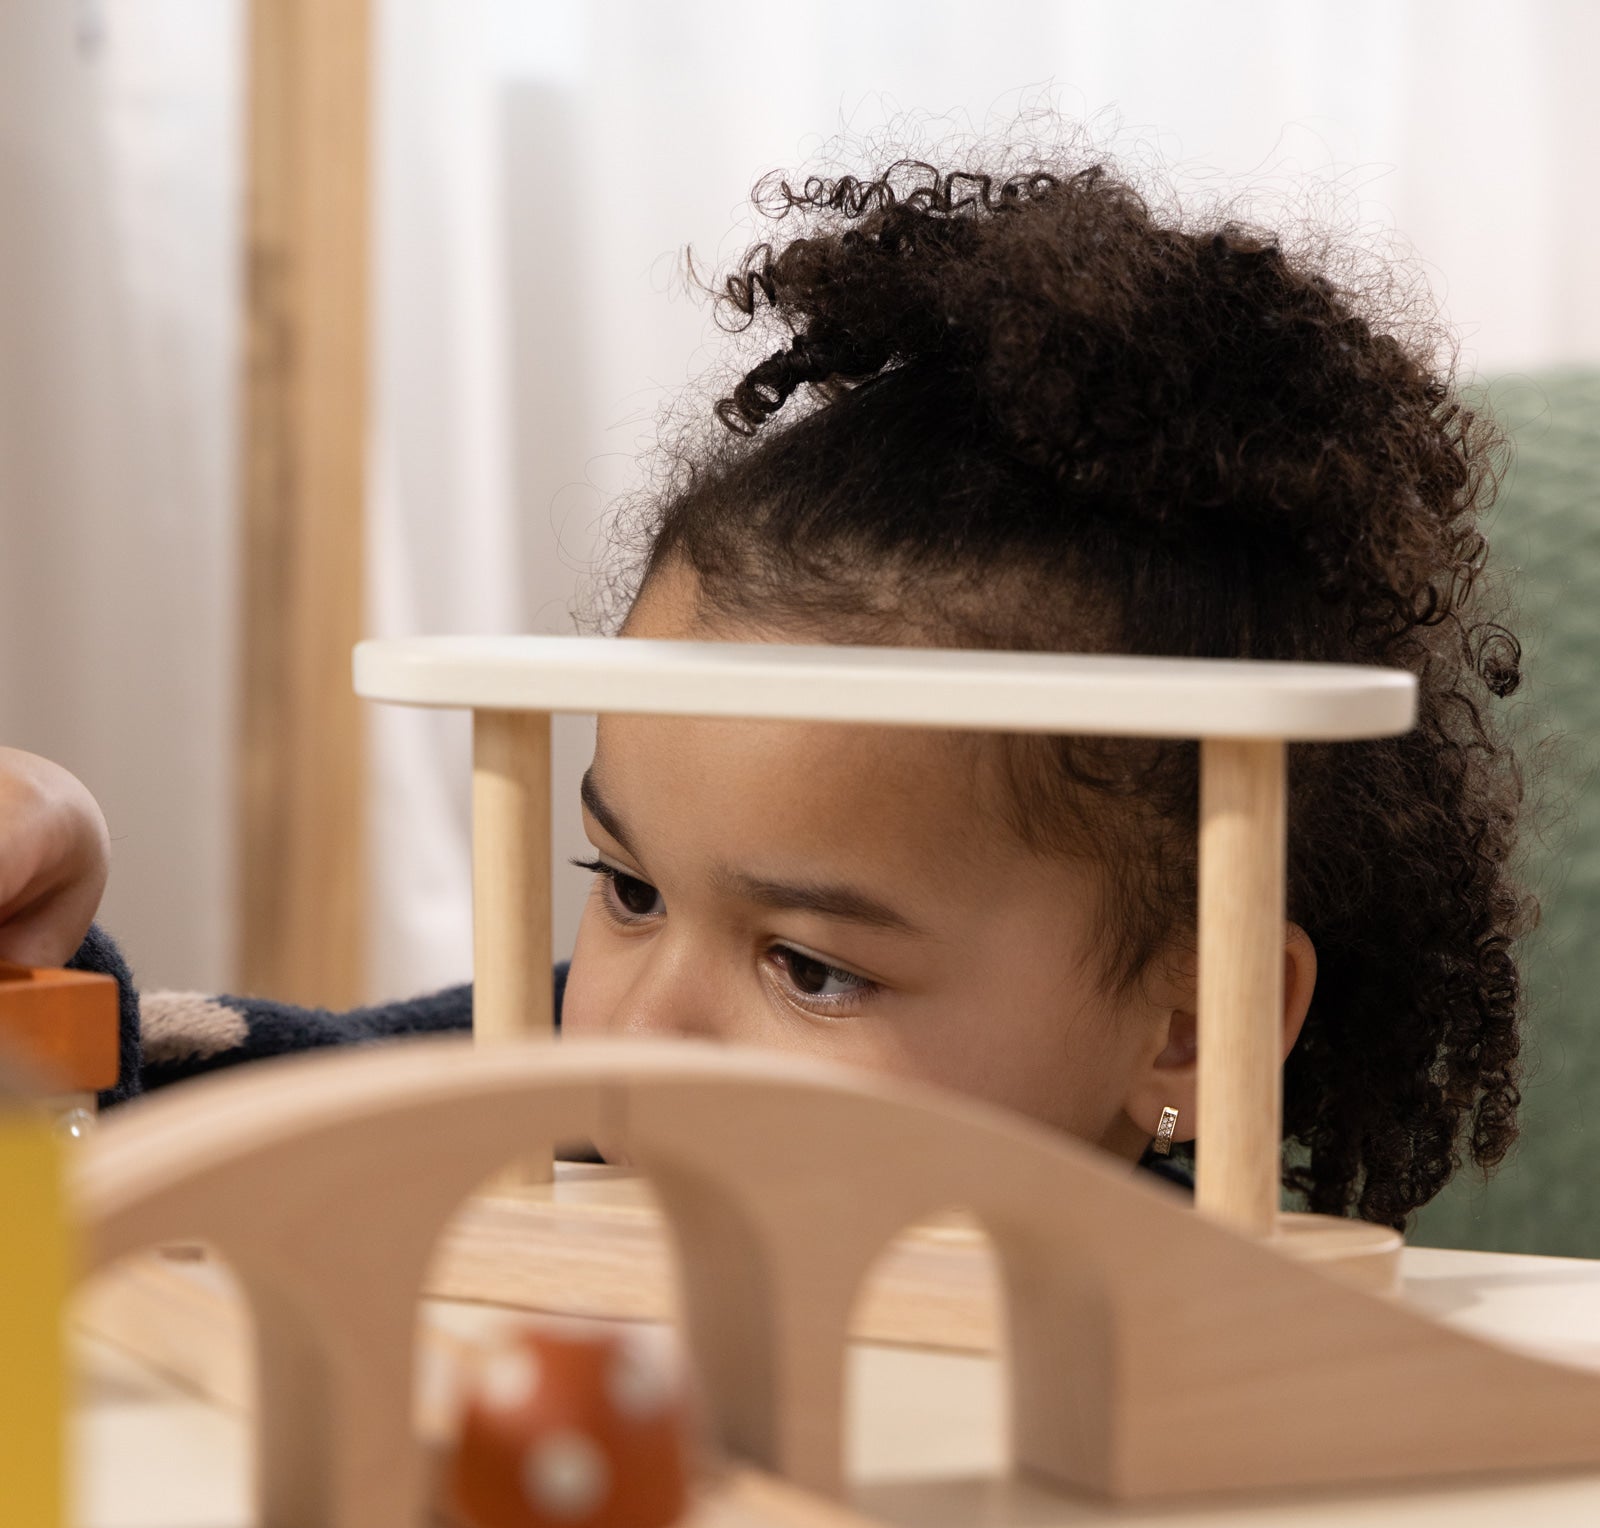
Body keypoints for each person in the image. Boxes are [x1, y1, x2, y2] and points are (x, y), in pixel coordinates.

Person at [0, 156, 1530, 1224]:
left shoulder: (1253, 1359)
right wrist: (39, 953)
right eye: (627, 890)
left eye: (811, 969)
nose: (642, 1034)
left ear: (1188, 1024)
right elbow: (201, 1116)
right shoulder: (556, 1091)